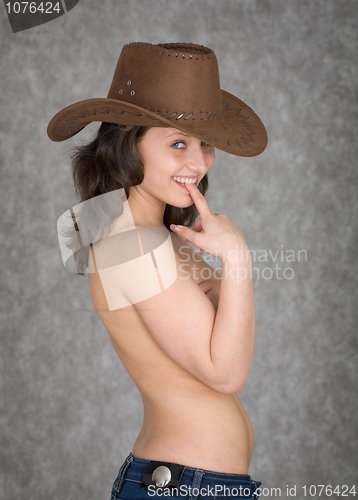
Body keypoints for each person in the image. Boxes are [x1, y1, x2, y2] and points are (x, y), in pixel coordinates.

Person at [48, 42, 267, 500]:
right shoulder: (135, 244)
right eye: (178, 143)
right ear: (129, 145)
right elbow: (224, 373)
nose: (199, 162)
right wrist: (238, 260)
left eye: (205, 142)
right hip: (186, 486)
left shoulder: (152, 235)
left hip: (192, 483)